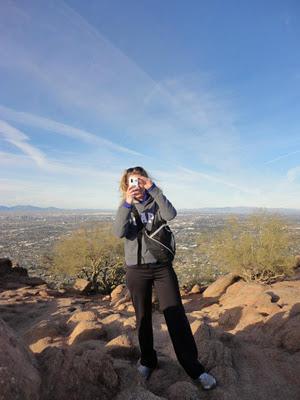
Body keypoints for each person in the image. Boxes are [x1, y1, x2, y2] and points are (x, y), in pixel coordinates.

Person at [112, 166, 217, 390]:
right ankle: (148, 360)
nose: (136, 185)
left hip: (161, 267)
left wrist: (154, 189)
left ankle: (194, 368)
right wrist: (127, 202)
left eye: (140, 181)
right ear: (126, 184)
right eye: (132, 182)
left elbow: (171, 214)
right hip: (136, 269)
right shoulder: (126, 207)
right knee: (143, 317)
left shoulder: (155, 202)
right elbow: (119, 232)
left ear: (145, 181)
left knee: (175, 315)